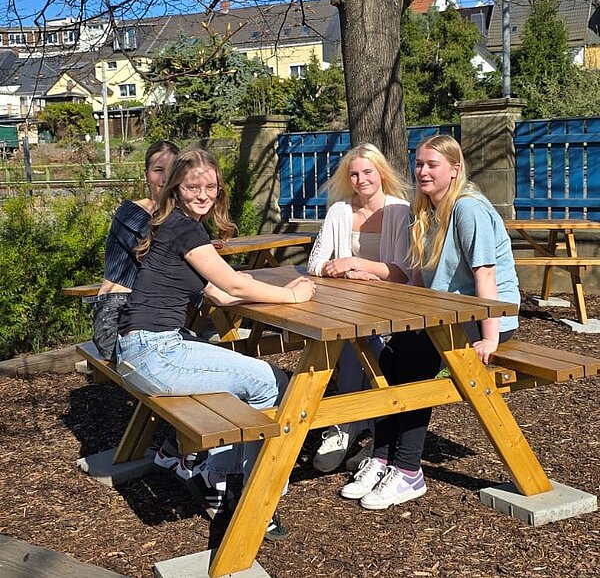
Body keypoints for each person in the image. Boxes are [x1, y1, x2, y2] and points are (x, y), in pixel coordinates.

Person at [116, 148, 316, 537]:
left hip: (143, 349)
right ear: (177, 187)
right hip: (155, 352)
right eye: (194, 186)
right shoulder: (184, 228)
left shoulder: (171, 224)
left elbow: (222, 296)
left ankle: (217, 476)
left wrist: (281, 289)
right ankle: (252, 495)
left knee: (255, 379)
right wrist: (293, 297)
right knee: (271, 383)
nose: (203, 194)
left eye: (211, 186)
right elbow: (235, 283)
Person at [340, 134, 520, 510]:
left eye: (431, 165)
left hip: (487, 316)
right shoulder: (419, 210)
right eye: (419, 164)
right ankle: (383, 456)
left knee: (415, 368)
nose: (422, 171)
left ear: (454, 169)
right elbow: (420, 276)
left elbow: (485, 276)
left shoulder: (468, 209)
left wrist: (490, 339)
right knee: (388, 359)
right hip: (442, 315)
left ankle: (409, 472)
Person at [307, 143, 412, 473]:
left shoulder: (399, 209)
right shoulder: (339, 211)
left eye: (367, 171)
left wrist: (357, 262)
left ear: (381, 172)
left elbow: (402, 271)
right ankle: (358, 422)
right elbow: (315, 263)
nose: (361, 179)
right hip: (348, 300)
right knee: (352, 336)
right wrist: (341, 270)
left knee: (358, 340)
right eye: (353, 174)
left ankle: (350, 422)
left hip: (392, 303)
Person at [92, 139, 179, 362]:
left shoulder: (178, 215)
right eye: (158, 170)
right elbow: (165, 263)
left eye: (171, 171)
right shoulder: (131, 214)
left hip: (155, 318)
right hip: (117, 320)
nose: (164, 179)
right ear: (146, 174)